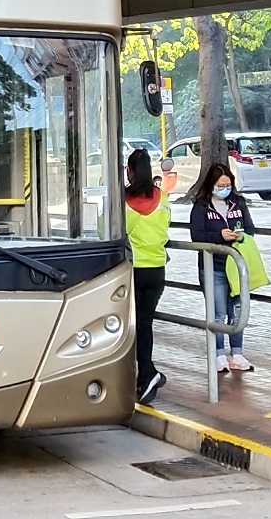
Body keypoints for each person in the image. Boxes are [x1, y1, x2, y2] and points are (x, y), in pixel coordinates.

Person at [187, 162, 256, 373]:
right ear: (211, 185)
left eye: (227, 184)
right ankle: (218, 355)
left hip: (236, 266)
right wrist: (219, 236)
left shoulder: (238, 203)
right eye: (220, 185)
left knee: (236, 311)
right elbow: (196, 236)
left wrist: (242, 234)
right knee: (217, 314)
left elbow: (250, 228)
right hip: (214, 268)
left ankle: (237, 353)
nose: (224, 188)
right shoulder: (201, 206)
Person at [123, 149, 170, 403]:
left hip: (132, 271)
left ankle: (146, 373)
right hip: (157, 269)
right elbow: (165, 227)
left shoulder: (125, 202)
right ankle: (147, 374)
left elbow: (109, 229)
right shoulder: (163, 198)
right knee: (145, 323)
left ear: (129, 171)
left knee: (133, 325)